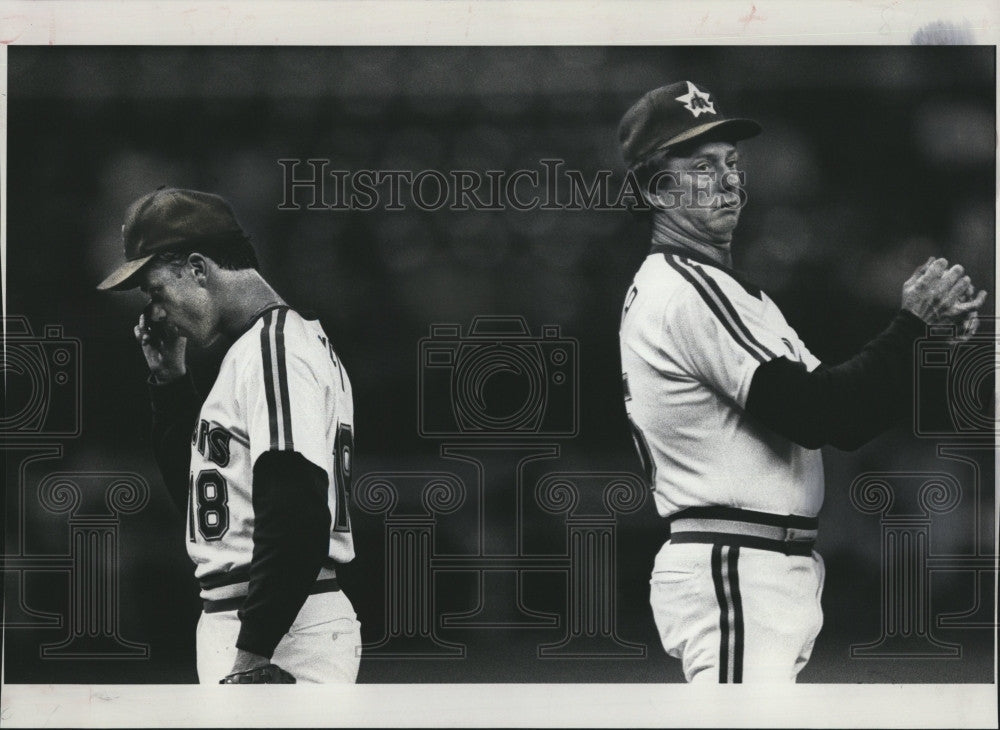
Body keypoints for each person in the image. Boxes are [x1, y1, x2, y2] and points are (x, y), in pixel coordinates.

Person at [616, 82, 987, 683]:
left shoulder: (722, 290)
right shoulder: (688, 291)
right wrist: (910, 325)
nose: (729, 179)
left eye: (733, 163)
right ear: (656, 189)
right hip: (734, 562)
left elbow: (849, 412)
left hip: (761, 564)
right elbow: (820, 415)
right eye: (703, 166)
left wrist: (924, 336)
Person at [98, 187, 361, 684]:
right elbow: (207, 514)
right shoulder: (259, 351)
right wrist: (172, 385)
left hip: (284, 632)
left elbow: (298, 508)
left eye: (155, 289)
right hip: (262, 619)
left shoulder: (277, 350)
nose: (154, 312)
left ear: (198, 269)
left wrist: (254, 650)